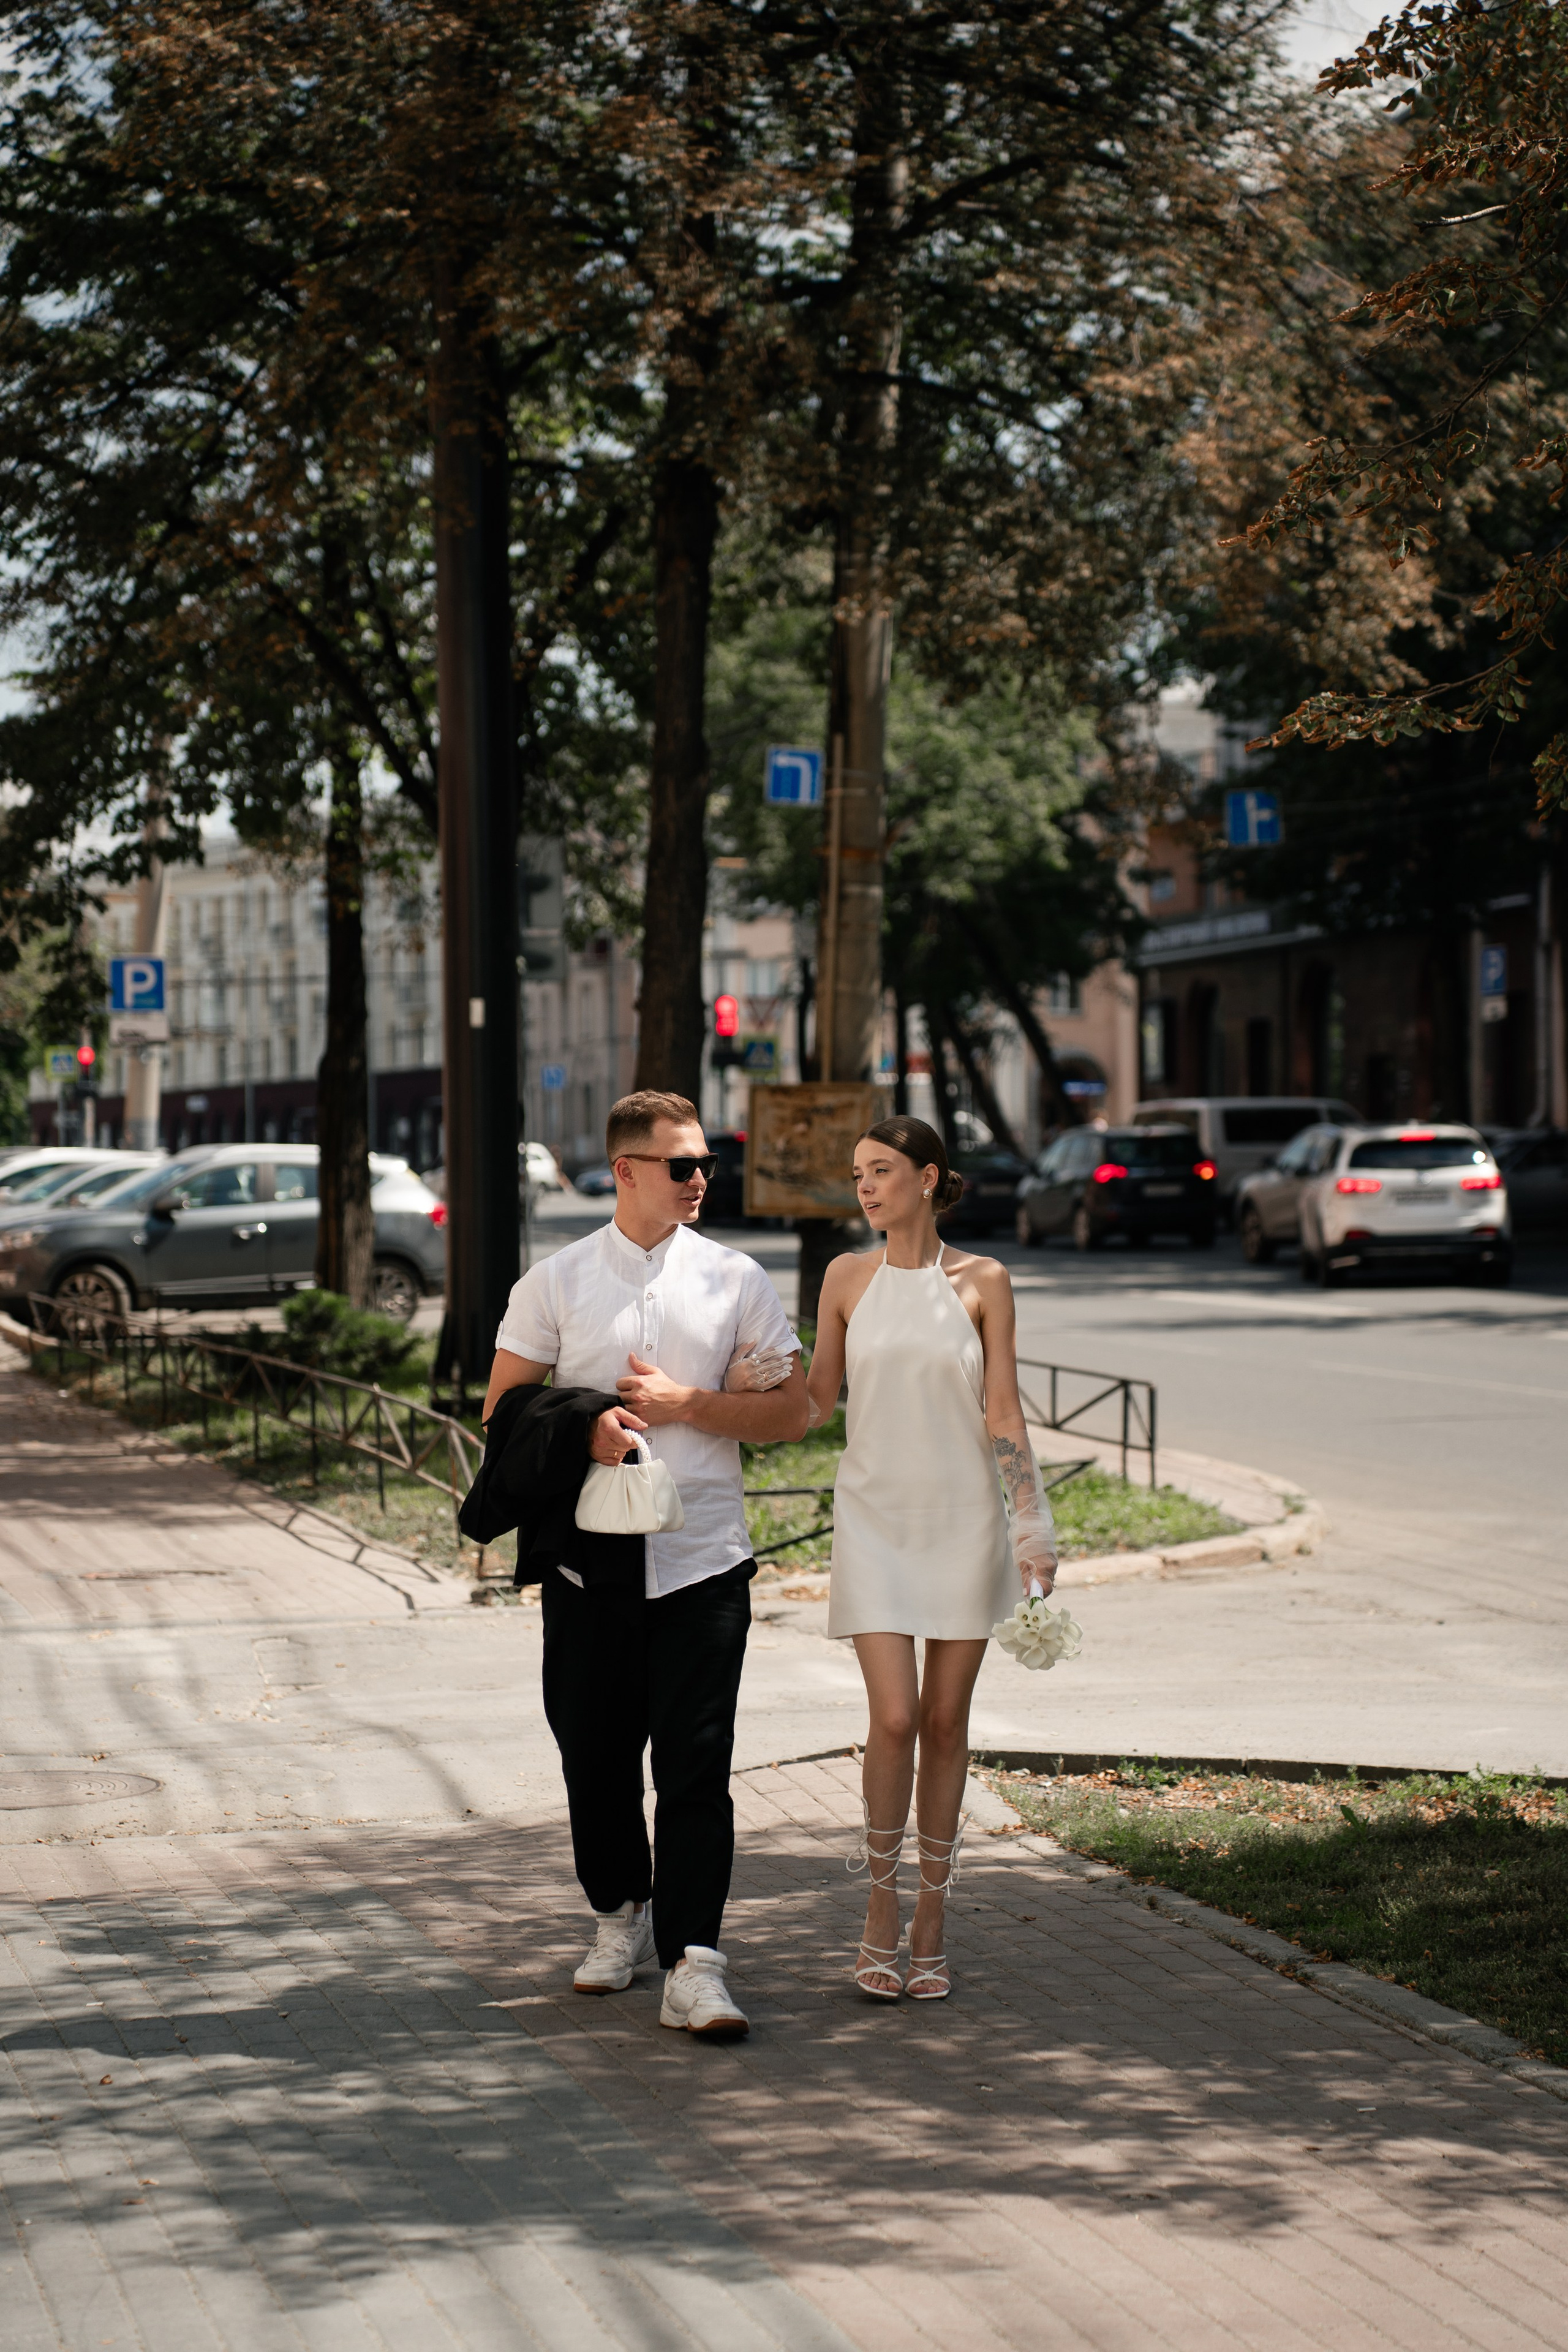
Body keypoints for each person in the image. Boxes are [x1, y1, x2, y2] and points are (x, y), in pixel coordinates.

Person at [483, 1090, 807, 2038]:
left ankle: (696, 1963)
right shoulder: (557, 1281)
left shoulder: (737, 1279)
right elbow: (503, 1413)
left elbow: (792, 1413)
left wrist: (688, 1405)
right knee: (596, 1760)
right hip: (591, 1566)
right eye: (682, 1165)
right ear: (626, 1172)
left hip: (706, 1561)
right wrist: (589, 1426)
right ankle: (618, 1914)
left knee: (697, 1766)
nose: (702, 1178)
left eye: (706, 1163)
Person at [804, 1116, 1057, 2001]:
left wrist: (1032, 1524)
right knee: (897, 1718)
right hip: (873, 1521)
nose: (866, 1187)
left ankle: (933, 1917)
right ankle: (881, 1904)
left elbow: (1003, 1410)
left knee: (947, 1723)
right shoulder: (845, 1278)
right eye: (858, 1174)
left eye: (881, 1171)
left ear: (927, 1178)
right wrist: (722, 1390)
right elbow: (815, 1399)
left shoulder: (984, 1281)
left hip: (964, 1522)